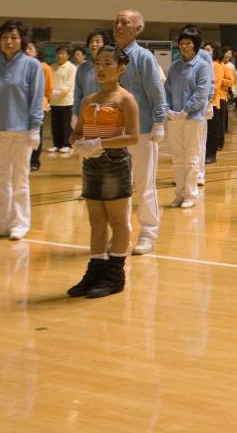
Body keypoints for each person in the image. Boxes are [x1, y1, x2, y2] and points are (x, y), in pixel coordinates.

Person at [66, 44, 139, 299]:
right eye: (97, 63)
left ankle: (115, 274)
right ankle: (95, 270)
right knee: (96, 221)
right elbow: (76, 133)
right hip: (92, 164)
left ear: (121, 68)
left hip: (115, 163)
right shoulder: (89, 100)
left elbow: (133, 137)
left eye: (108, 63)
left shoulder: (125, 99)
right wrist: (76, 143)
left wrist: (99, 143)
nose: (101, 68)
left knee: (118, 221)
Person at [0, 20, 46, 240]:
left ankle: (20, 223)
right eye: (5, 37)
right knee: (2, 179)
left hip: (23, 131)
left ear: (22, 40)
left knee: (20, 179)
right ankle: (0, 223)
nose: (9, 41)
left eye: (14, 37)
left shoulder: (32, 66)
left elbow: (37, 100)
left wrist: (35, 128)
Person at [112, 10, 168, 256]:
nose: (119, 26)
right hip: (113, 132)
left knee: (144, 184)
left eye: (125, 22)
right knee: (117, 186)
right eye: (116, 22)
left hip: (142, 130)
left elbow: (156, 91)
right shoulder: (109, 56)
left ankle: (148, 233)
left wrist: (159, 122)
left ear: (137, 28)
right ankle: (120, 234)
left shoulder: (144, 57)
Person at [164, 26, 213, 209]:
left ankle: (191, 195)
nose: (184, 46)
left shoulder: (203, 66)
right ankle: (180, 193)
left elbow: (201, 93)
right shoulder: (175, 65)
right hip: (174, 118)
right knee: (177, 157)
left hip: (193, 118)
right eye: (182, 43)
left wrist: (186, 110)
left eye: (188, 43)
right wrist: (168, 109)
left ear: (196, 46)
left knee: (192, 158)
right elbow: (166, 89)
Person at [24, 42, 53, 171]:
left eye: (30, 48)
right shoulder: (23, 65)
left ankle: (34, 161)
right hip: (24, 106)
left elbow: (48, 88)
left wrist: (45, 103)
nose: (27, 51)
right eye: (26, 49)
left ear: (38, 51)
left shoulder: (44, 67)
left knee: (36, 134)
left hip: (39, 105)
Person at [48, 45, 77, 154]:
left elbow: (68, 86)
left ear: (68, 55)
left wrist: (55, 93)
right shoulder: (52, 66)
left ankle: (67, 144)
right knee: (55, 125)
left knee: (66, 125)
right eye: (59, 53)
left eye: (63, 53)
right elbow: (49, 83)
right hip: (54, 102)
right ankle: (57, 144)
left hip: (66, 101)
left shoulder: (71, 67)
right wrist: (50, 94)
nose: (60, 55)